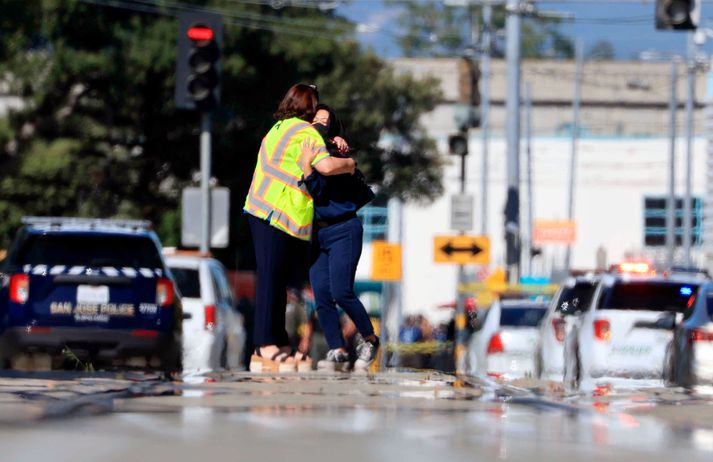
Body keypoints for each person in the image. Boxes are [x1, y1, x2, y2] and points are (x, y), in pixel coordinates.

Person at [244, 84, 356, 373]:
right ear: (309, 107)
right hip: (275, 212)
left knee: (276, 280)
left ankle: (278, 343)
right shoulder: (305, 132)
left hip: (263, 209)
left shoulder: (280, 127)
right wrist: (350, 164)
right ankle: (263, 347)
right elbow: (328, 167)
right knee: (270, 279)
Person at [299, 104, 379, 372]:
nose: (319, 125)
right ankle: (337, 349)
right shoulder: (301, 150)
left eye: (325, 122)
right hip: (318, 233)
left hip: (344, 228)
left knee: (342, 292)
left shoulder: (332, 155)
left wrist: (309, 170)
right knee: (321, 293)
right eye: (314, 120)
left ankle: (369, 339)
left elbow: (320, 190)